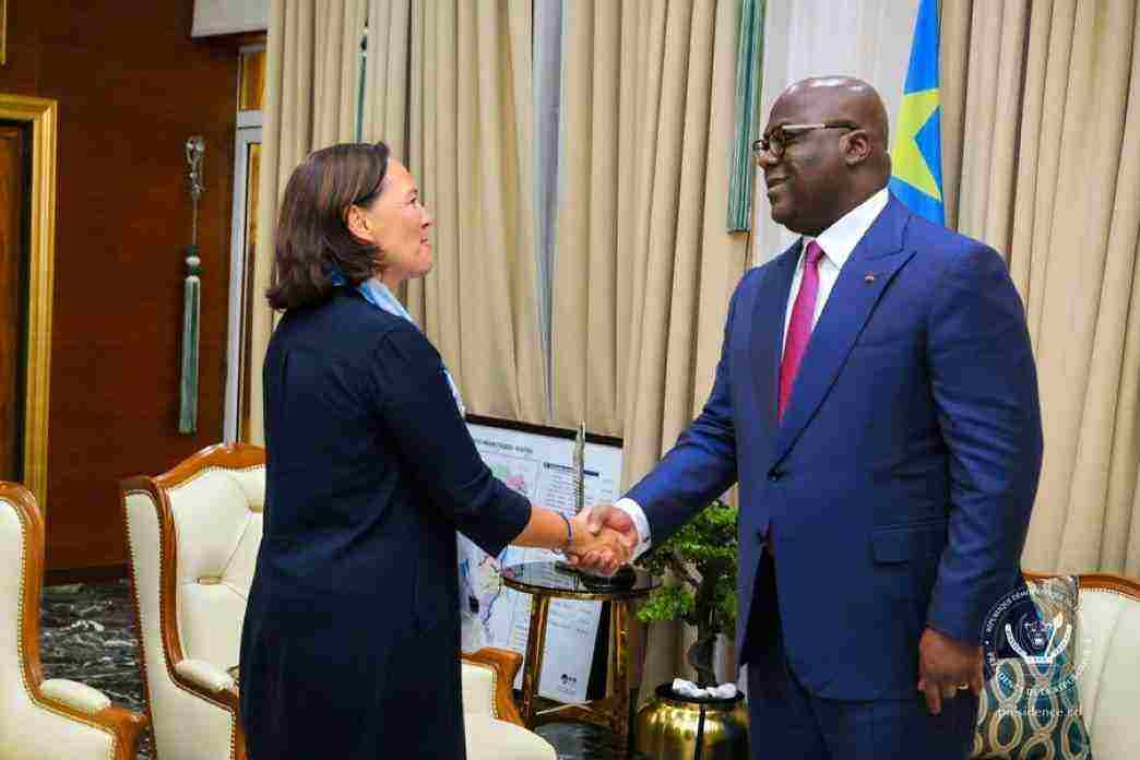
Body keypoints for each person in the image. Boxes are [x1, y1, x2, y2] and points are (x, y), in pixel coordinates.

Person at [579, 77, 1043, 759]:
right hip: (776, 646)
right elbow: (721, 434)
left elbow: (998, 467)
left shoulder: (951, 272)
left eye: (785, 141)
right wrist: (637, 515)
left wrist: (957, 622)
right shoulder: (760, 291)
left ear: (857, 146)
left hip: (903, 653)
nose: (765, 159)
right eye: (762, 144)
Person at [238, 141, 630, 759]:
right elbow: (473, 498)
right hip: (373, 640)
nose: (426, 216)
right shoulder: (388, 345)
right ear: (359, 221)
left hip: (290, 625)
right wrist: (575, 534)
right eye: (412, 200)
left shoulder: (294, 335)